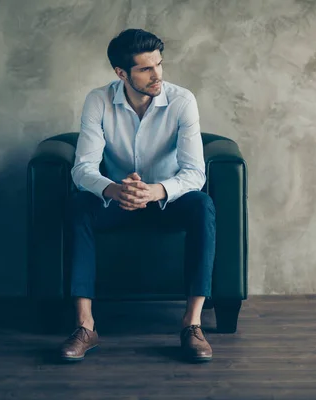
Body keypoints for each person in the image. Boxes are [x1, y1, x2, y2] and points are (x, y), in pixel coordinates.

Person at [59, 29, 216, 363]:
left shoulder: (182, 101)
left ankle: (192, 325)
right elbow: (82, 167)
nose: (157, 74)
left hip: (166, 199)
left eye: (159, 64)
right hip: (118, 200)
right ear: (121, 73)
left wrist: (156, 190)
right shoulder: (98, 100)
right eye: (146, 69)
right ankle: (85, 326)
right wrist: (115, 189)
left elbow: (195, 172)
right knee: (79, 205)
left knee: (203, 205)